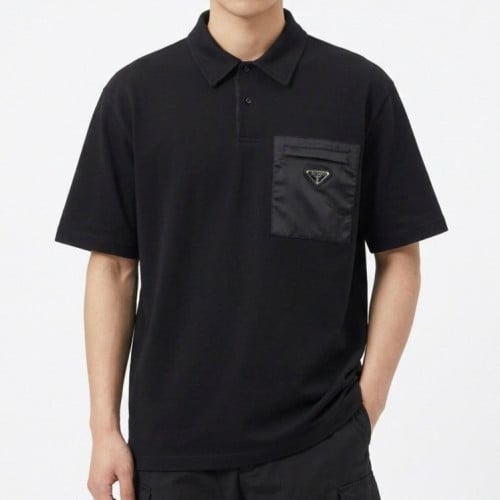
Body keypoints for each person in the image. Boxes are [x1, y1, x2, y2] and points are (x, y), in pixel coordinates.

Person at [54, 1, 449, 499]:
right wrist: (103, 428)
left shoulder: (359, 89)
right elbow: (112, 267)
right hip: (171, 458)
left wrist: (367, 406)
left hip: (320, 451)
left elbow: (399, 254)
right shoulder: (135, 95)